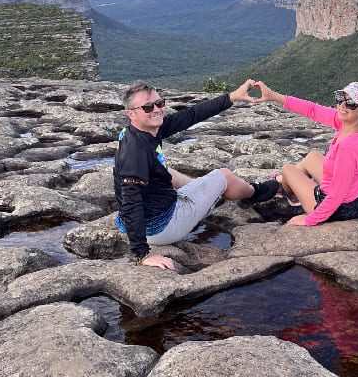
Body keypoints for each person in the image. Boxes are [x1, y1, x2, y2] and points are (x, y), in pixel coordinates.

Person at [114, 79, 278, 269]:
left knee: (166, 171)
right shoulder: (136, 152)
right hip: (161, 228)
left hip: (144, 218)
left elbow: (191, 115)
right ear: (131, 114)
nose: (157, 110)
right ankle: (257, 192)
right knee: (223, 175)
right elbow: (131, 199)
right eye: (148, 107)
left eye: (160, 103)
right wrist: (142, 254)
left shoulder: (140, 130)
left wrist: (232, 96)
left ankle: (211, 197)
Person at [250, 80, 358, 226]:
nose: (342, 105)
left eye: (351, 103)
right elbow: (312, 109)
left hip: (343, 208)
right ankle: (282, 184)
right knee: (312, 157)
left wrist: (310, 219)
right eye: (340, 98)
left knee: (288, 170)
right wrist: (273, 96)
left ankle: (287, 191)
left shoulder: (348, 147)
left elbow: (337, 194)